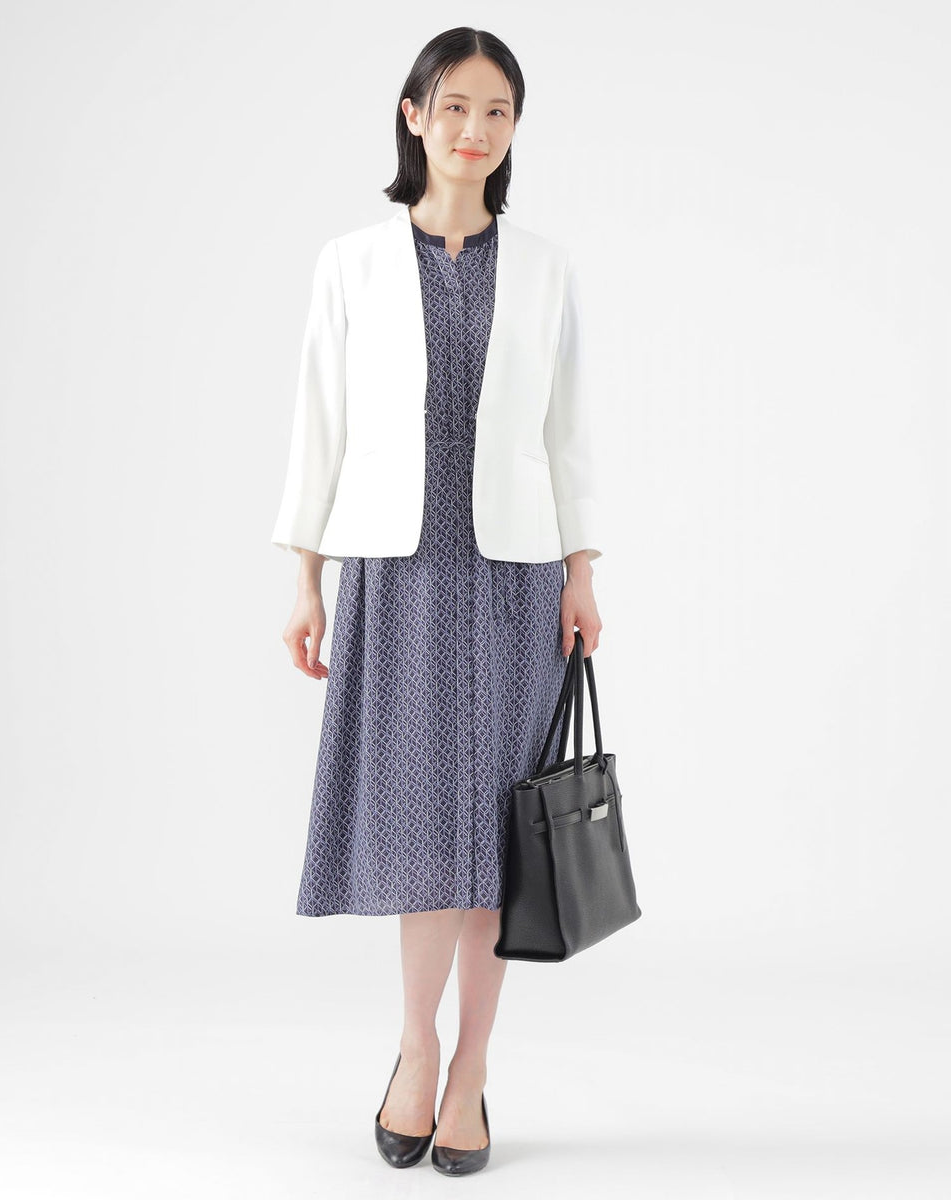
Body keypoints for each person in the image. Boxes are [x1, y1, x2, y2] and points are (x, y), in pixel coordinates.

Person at [271, 27, 603, 1175]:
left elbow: (566, 432)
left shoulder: (545, 268)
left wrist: (582, 572)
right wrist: (304, 576)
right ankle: (415, 1050)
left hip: (515, 577)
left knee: (502, 837)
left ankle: (472, 1071)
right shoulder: (351, 264)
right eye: (454, 105)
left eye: (496, 111)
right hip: (399, 572)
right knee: (422, 831)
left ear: (514, 130)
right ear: (412, 115)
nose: (474, 129)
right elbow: (318, 423)